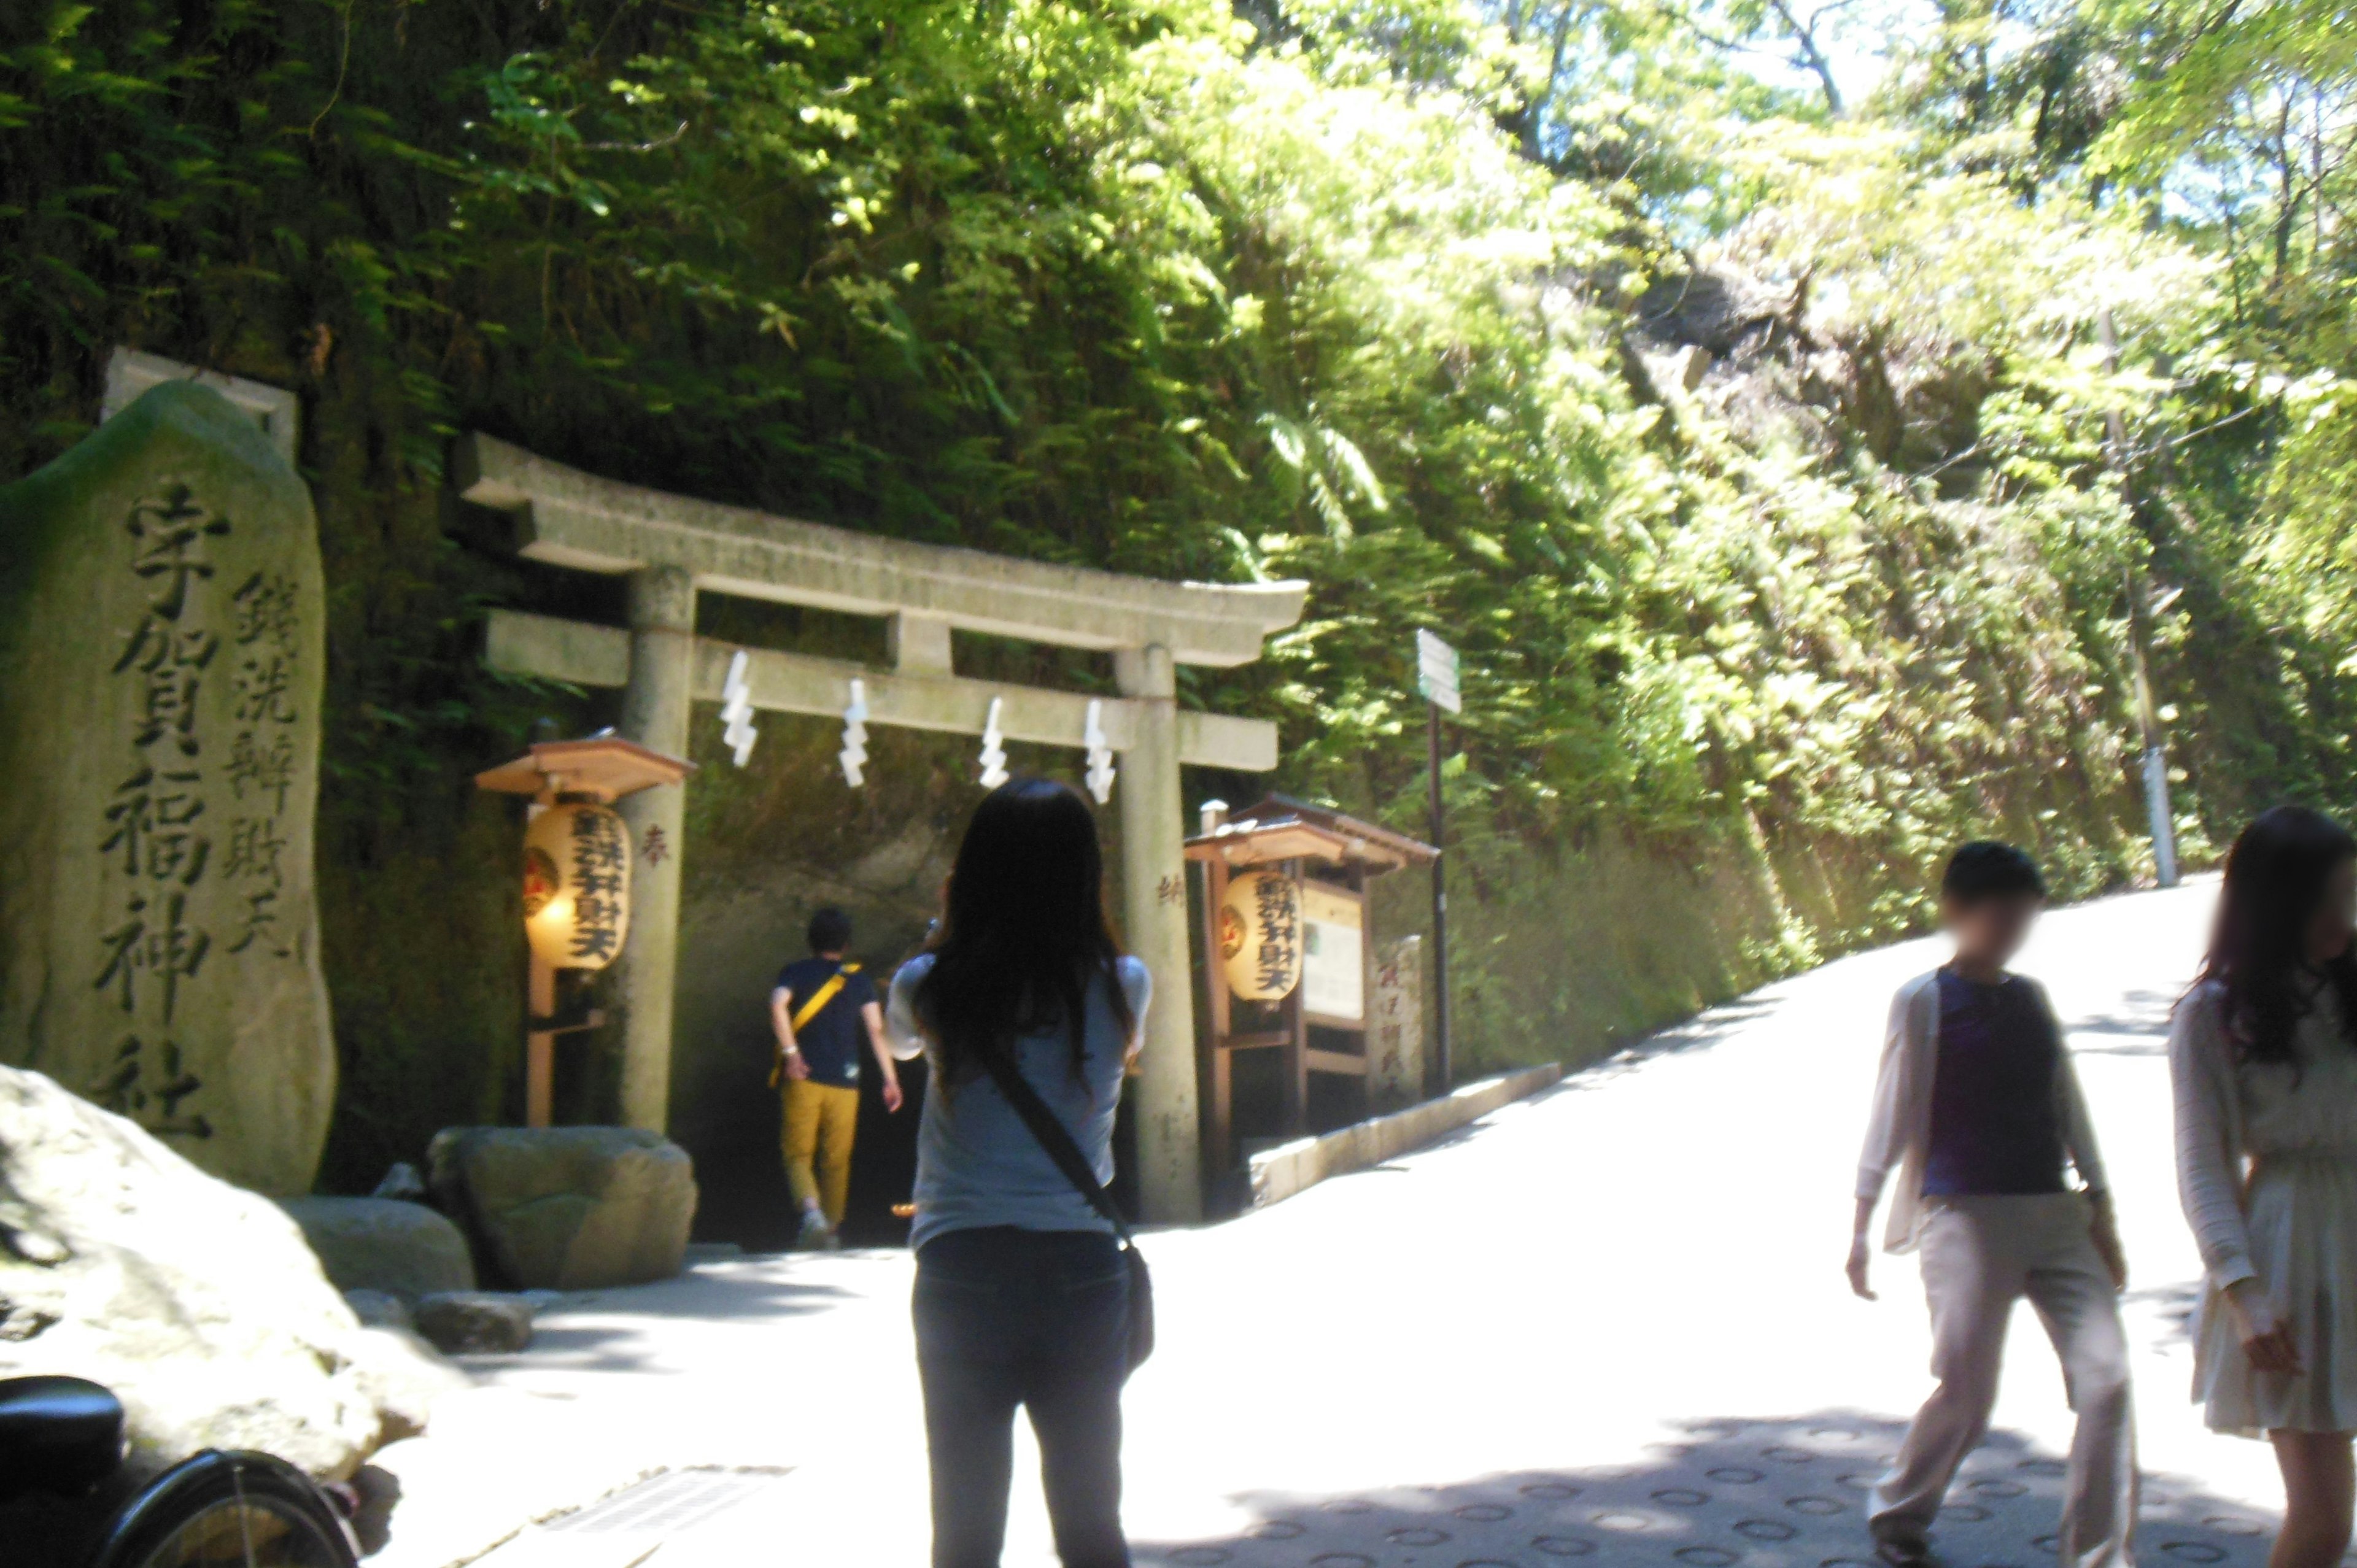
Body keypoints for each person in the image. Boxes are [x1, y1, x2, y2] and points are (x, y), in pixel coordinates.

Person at [884, 778, 1150, 1568]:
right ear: (1085, 876)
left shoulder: (928, 983)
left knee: (963, 1529)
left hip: (961, 1264)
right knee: (1091, 1517)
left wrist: (949, 927)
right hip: (1080, 1268)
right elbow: (1121, 1055)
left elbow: (901, 1045)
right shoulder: (1123, 983)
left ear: (973, 873)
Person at [1849, 840, 2135, 1568]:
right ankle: (1900, 1510)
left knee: (2107, 1377)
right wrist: (1859, 1222)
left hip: (2054, 1211)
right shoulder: (1923, 999)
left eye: (2023, 914)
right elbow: (1889, 1111)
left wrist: (2100, 1202)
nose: (2013, 927)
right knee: (1969, 1393)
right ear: (1958, 910)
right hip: (1963, 1217)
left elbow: (2065, 1100)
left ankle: (2098, 1555)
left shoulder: (2030, 998)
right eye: (1999, 912)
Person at [2171, 806, 2357, 1568]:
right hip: (2293, 1256)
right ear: (2277, 904)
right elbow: (2202, 1164)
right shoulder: (2212, 1014)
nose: (2344, 917)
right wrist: (2244, 1291)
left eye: (2352, 892)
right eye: (2327, 899)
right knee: (2322, 1521)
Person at [772, 906, 902, 1251]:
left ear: (810, 941)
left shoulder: (795, 972)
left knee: (798, 1154)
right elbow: (876, 1030)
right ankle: (830, 1230)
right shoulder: (858, 981)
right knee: (837, 1158)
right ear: (846, 945)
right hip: (847, 1082)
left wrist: (791, 1053)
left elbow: (777, 1004)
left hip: (804, 1077)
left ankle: (811, 1214)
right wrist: (891, 1079)